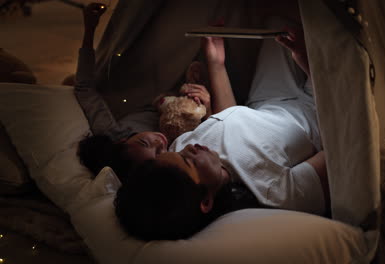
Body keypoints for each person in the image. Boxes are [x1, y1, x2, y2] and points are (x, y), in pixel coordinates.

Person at [114, 15, 330, 241]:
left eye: (173, 153)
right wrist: (308, 63)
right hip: (320, 112)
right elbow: (342, 145)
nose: (190, 147)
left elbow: (225, 121)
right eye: (188, 161)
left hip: (267, 101)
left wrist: (216, 63)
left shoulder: (183, 148)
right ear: (206, 200)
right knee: (326, 36)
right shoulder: (274, 193)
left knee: (280, 24)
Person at [75, 3, 211, 178]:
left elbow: (84, 88)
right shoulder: (177, 152)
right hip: (183, 95)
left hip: (144, 86)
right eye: (160, 152)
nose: (159, 142)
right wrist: (208, 107)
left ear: (123, 142)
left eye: (146, 143)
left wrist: (89, 28)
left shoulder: (112, 131)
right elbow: (210, 130)